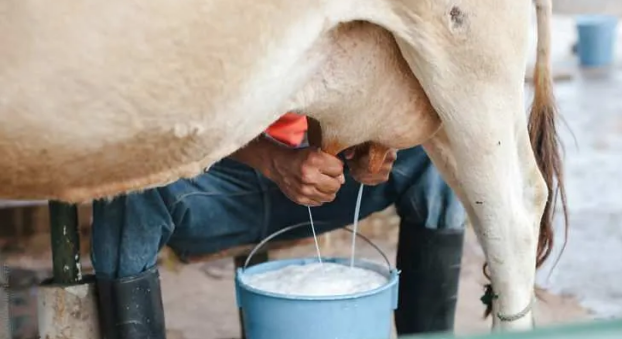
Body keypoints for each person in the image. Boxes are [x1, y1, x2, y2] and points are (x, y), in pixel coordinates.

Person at [90, 113, 466, 339]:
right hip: (211, 187)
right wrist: (270, 158)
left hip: (318, 179)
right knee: (126, 188)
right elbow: (162, 114)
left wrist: (375, 144)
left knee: (434, 164)